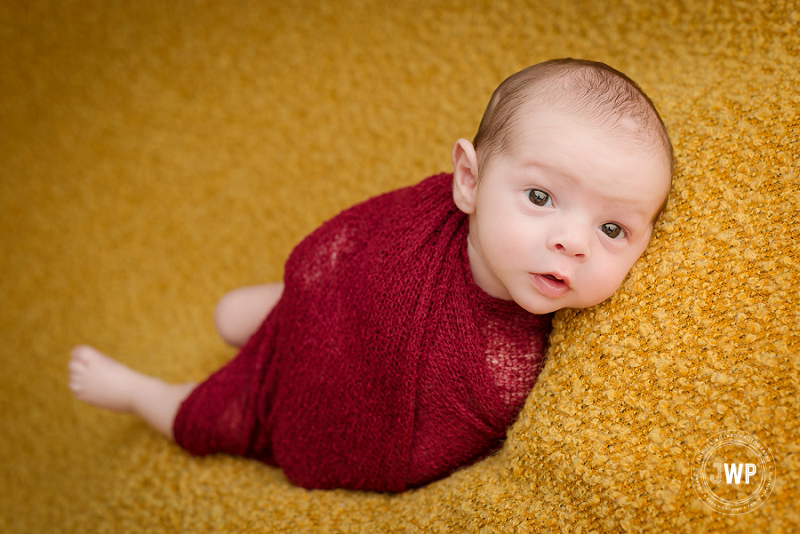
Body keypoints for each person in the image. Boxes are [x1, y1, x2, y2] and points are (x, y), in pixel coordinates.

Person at [68, 58, 673, 492]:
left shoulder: (529, 355)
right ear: (470, 180)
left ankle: (144, 394)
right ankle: (284, 314)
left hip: (348, 382)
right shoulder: (423, 221)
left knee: (220, 418)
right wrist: (314, 293)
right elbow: (355, 245)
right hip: (341, 305)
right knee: (235, 311)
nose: (570, 242)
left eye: (612, 230)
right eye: (540, 196)